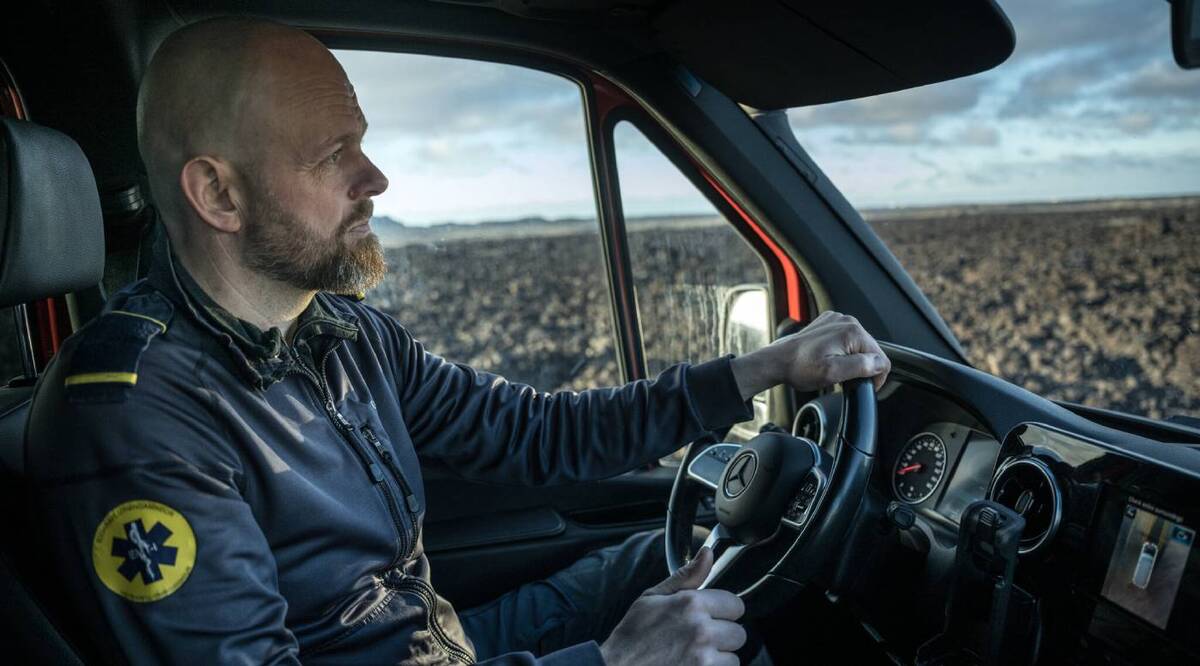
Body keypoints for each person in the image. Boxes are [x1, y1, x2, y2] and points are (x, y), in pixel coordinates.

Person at [25, 17, 891, 666]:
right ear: (218, 194)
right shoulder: (135, 419)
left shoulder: (341, 334)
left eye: (362, 144)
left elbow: (542, 436)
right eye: (334, 156)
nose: (375, 180)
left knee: (711, 563)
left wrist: (761, 366)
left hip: (444, 644)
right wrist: (610, 663)